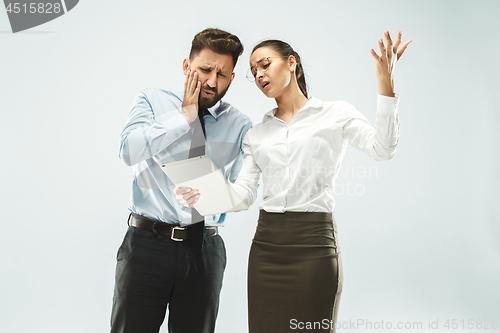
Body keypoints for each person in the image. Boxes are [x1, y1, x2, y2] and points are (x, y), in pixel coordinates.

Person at [176, 30, 411, 332]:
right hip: (265, 248)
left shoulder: (335, 114)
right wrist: (204, 193)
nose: (259, 75)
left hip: (313, 247)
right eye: (252, 71)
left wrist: (386, 86)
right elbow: (244, 195)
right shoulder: (256, 134)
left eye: (264, 64)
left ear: (291, 63)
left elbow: (383, 149)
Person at [111, 28, 252, 333]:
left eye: (223, 74)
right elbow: (128, 151)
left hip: (205, 250)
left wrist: (214, 194)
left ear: (232, 77)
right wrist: (183, 119)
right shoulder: (151, 100)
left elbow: (244, 193)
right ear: (187, 67)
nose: (213, 81)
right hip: (147, 245)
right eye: (205, 70)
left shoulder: (240, 124)